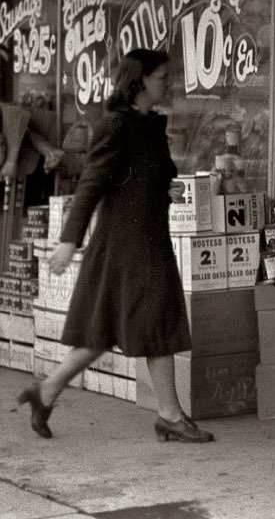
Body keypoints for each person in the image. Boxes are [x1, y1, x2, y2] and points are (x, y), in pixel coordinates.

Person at [16, 48, 214, 443]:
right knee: (156, 317)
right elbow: (91, 185)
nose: (167, 82)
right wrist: (68, 241)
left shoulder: (148, 125)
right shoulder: (116, 126)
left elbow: (141, 177)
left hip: (145, 237)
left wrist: (164, 188)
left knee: (102, 331)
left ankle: (46, 392)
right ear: (138, 80)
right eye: (161, 76)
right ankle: (170, 415)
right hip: (127, 244)